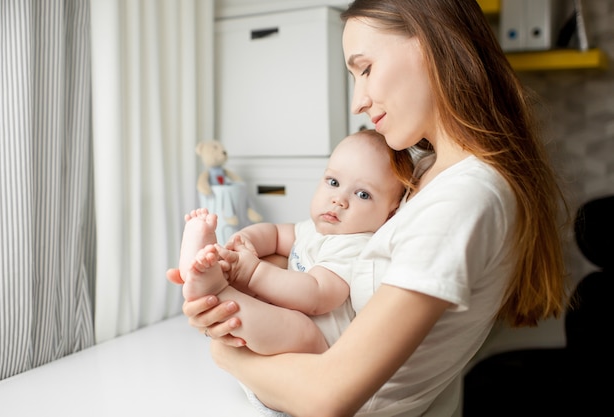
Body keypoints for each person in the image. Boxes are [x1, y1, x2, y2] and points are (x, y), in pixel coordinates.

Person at [171, 0, 570, 415]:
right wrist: (238, 278)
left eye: (365, 69)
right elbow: (323, 257)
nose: (357, 102)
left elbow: (328, 397)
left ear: (433, 45)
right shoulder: (423, 174)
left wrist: (225, 351)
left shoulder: (463, 198)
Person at [170, 129, 407, 355]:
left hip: (318, 344)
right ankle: (212, 260)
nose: (339, 200)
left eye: (363, 194)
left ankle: (214, 289)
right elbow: (274, 234)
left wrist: (253, 271)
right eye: (333, 182)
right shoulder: (315, 230)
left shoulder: (355, 245)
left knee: (297, 325)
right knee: (262, 282)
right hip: (277, 324)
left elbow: (317, 295)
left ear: (390, 214)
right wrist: (244, 240)